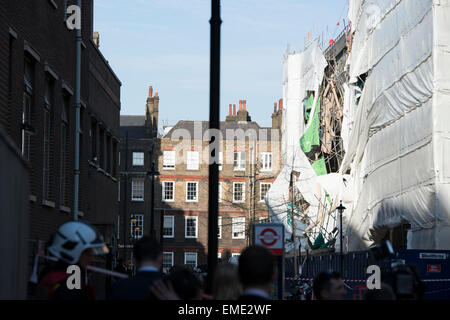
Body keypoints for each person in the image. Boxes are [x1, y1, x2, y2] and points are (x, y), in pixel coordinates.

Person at [36, 221, 109, 300]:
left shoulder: (50, 274)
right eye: (88, 253)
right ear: (72, 250)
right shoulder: (70, 286)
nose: (92, 258)